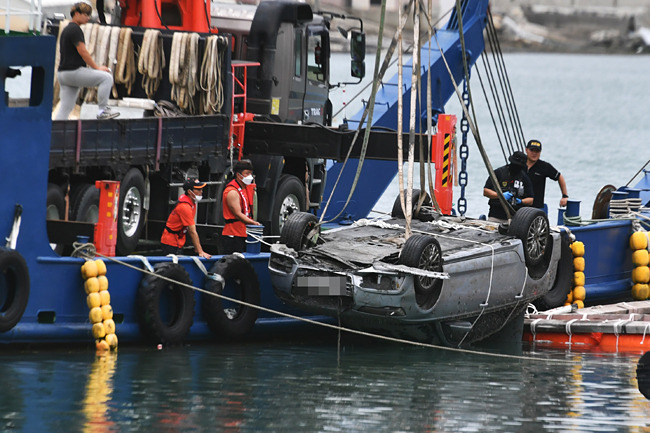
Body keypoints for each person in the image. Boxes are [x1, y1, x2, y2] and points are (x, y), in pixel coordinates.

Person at [55, 0, 119, 120]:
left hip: (63, 74)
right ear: (76, 14)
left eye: (89, 15)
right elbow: (83, 52)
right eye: (85, 14)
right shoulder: (75, 30)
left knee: (65, 108)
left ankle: (56, 133)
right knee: (106, 77)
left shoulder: (67, 29)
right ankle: (102, 111)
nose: (88, 18)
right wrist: (97, 67)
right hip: (73, 72)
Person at [161, 178, 212, 258]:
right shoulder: (185, 207)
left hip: (178, 241)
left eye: (201, 189)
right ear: (189, 192)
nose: (201, 191)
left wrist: (196, 246)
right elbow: (192, 231)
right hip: (171, 243)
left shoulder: (192, 203)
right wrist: (200, 251)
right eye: (198, 189)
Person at [222, 160, 261, 254]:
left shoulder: (246, 188)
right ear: (238, 175)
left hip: (244, 232)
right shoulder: (232, 192)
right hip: (233, 234)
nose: (250, 176)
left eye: (251, 173)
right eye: (247, 173)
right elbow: (238, 214)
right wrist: (253, 223)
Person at [483, 151, 534, 223]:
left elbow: (531, 200)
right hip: (496, 216)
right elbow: (486, 191)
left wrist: (521, 201)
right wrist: (500, 195)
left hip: (516, 217)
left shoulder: (524, 178)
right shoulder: (499, 173)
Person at [524, 139, 569, 210]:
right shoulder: (519, 164)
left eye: (537, 151)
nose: (534, 153)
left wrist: (565, 196)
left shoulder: (544, 166)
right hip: (520, 206)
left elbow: (559, 177)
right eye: (532, 150)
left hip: (536, 208)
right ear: (526, 150)